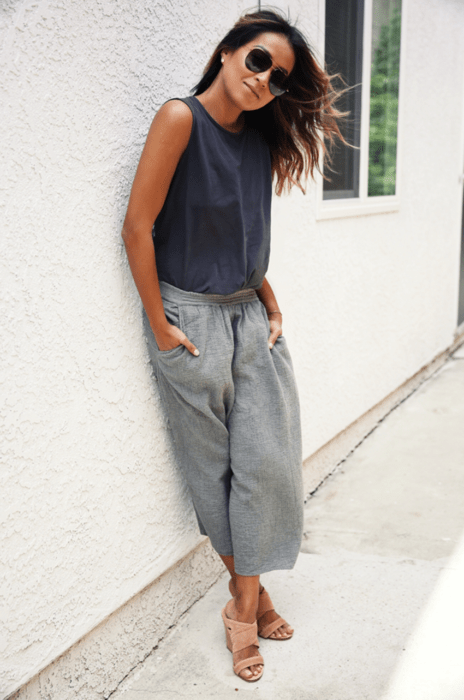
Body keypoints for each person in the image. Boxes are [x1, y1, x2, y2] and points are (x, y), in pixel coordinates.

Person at [121, 8, 348, 683]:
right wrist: (162, 325)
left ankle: (242, 597)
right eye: (258, 62)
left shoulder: (257, 141)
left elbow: (238, 235)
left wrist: (270, 301)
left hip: (249, 317)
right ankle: (249, 609)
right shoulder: (179, 119)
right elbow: (137, 227)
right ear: (227, 52)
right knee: (213, 473)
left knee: (266, 466)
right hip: (188, 317)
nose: (264, 82)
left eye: (278, 79)